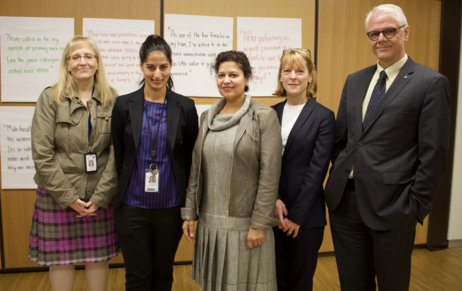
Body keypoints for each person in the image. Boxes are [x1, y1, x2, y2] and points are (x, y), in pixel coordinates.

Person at [324, 4, 450, 291]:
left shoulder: (430, 83)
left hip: (394, 206)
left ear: (405, 33)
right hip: (345, 204)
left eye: (389, 31)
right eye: (373, 33)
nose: (380, 38)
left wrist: (414, 204)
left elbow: (434, 153)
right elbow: (342, 139)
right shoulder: (355, 80)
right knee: (353, 284)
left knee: (393, 284)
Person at [181, 50, 282, 290]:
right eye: (221, 75)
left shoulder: (264, 116)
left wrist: (259, 225)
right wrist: (189, 212)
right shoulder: (207, 117)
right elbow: (197, 167)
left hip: (246, 226)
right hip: (209, 223)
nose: (226, 80)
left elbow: (270, 175)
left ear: (247, 78)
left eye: (233, 75)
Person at [29, 35, 119, 291]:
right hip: (58, 195)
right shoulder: (50, 98)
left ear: (97, 63)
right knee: (60, 260)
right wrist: (68, 198)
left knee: (98, 259)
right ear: (67, 64)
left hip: (98, 196)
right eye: (75, 57)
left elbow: (117, 153)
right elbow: (42, 154)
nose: (82, 62)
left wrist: (101, 196)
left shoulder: (112, 98)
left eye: (88, 56)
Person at [111, 35, 198, 291]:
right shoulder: (123, 105)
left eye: (163, 67)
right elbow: (119, 154)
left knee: (162, 274)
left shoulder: (185, 107)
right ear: (141, 66)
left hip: (170, 209)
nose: (157, 74)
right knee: (137, 277)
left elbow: (191, 159)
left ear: (170, 66)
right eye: (151, 67)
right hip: (131, 208)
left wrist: (189, 209)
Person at [271, 49, 335, 291]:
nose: (293, 77)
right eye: (287, 71)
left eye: (300, 71)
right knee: (276, 279)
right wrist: (273, 199)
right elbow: (263, 163)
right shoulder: (271, 113)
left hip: (306, 216)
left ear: (310, 77)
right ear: (281, 76)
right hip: (272, 211)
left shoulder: (323, 117)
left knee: (299, 281)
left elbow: (317, 170)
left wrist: (297, 216)